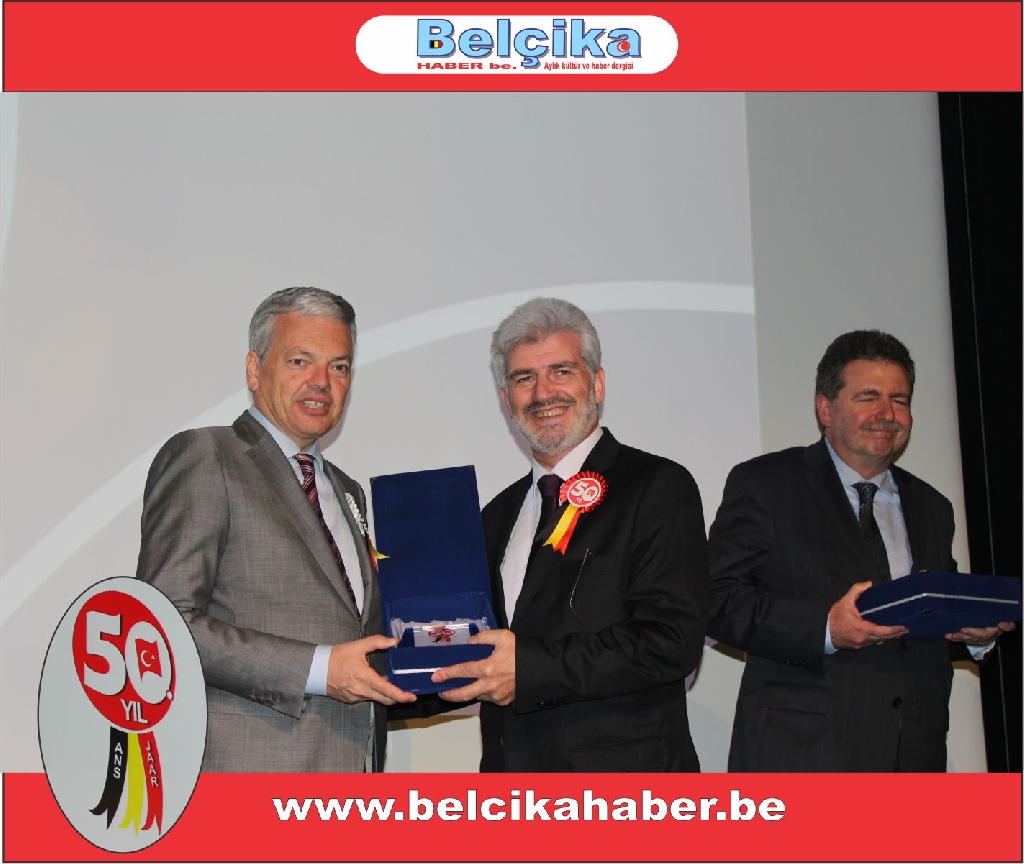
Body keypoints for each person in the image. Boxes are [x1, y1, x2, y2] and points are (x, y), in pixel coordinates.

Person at [707, 329, 1015, 772]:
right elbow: (717, 600)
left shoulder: (933, 506)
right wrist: (826, 629)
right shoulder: (767, 483)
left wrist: (973, 635)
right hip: (802, 758)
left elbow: (920, 628)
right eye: (868, 397)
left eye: (900, 400)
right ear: (825, 408)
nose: (886, 414)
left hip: (915, 760)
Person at [137, 286, 416, 772]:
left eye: (339, 366)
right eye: (299, 361)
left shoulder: (347, 491)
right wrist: (320, 670)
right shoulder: (207, 456)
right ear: (254, 369)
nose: (321, 382)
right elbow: (162, 625)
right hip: (251, 775)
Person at [430, 297, 709, 771]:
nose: (543, 393)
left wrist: (528, 669)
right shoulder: (495, 516)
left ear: (596, 383)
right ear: (506, 400)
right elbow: (478, 651)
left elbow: (671, 641)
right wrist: (390, 676)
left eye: (561, 371)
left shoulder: (657, 486)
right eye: (524, 378)